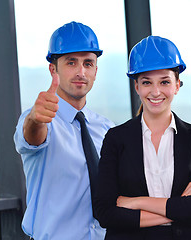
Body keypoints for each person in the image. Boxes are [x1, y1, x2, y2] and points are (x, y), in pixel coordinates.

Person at [93, 36, 191, 240]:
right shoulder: (116, 139)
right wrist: (178, 205)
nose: (155, 91)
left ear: (177, 85)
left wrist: (136, 202)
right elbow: (105, 213)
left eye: (165, 82)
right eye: (146, 82)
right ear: (137, 87)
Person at [14, 21, 115, 240]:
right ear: (53, 69)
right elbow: (33, 136)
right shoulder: (42, 119)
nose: (81, 72)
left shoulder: (107, 129)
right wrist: (35, 119)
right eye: (71, 62)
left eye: (88, 63)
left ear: (96, 71)